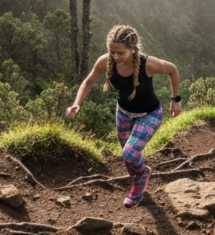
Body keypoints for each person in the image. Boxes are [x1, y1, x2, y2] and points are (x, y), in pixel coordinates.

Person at [66, 25, 181, 208]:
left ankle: (142, 176)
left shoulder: (147, 64)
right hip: (124, 113)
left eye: (120, 53)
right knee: (128, 156)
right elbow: (88, 82)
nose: (115, 57)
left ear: (133, 48)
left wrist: (175, 99)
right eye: (112, 52)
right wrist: (76, 103)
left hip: (149, 114)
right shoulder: (105, 62)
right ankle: (138, 182)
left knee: (129, 154)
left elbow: (172, 69)